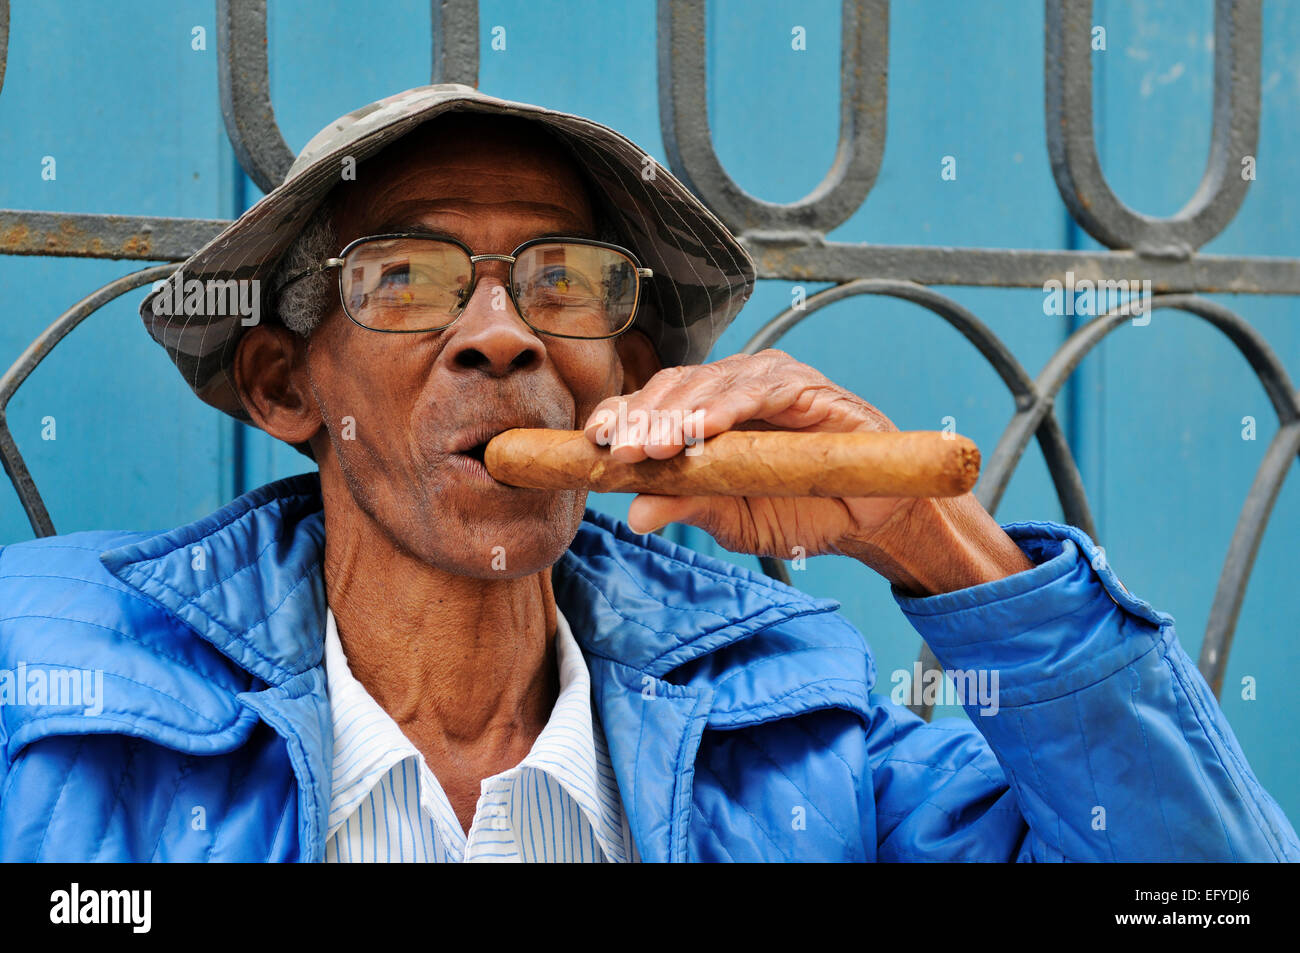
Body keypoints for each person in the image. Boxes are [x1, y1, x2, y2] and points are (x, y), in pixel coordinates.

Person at [0, 84, 1294, 862]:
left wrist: (932, 544)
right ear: (287, 385)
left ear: (620, 376)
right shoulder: (52, 691)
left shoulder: (802, 737)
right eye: (404, 276)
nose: (502, 331)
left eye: (559, 279)